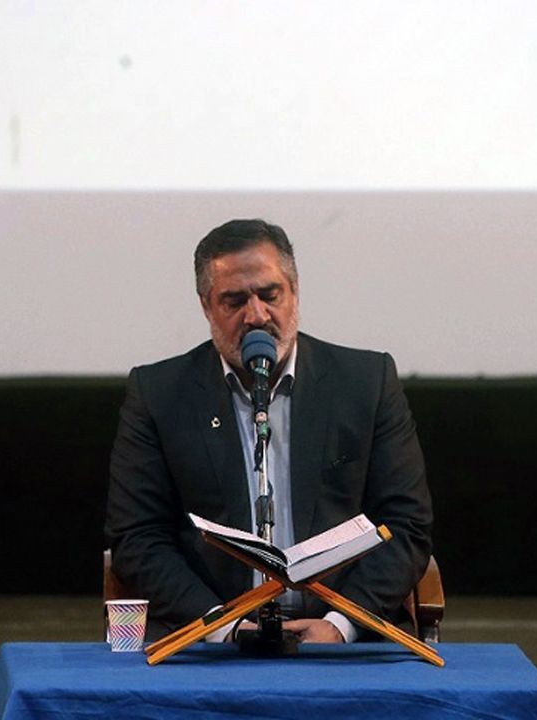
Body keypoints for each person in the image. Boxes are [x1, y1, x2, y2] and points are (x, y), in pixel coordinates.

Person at [105, 219, 433, 643]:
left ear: (294, 292)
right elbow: (137, 536)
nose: (256, 316)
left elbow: (406, 525)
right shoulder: (159, 394)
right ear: (206, 306)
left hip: (342, 639)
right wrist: (223, 627)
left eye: (270, 295)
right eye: (234, 301)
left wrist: (340, 625)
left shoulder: (366, 382)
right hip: (211, 643)